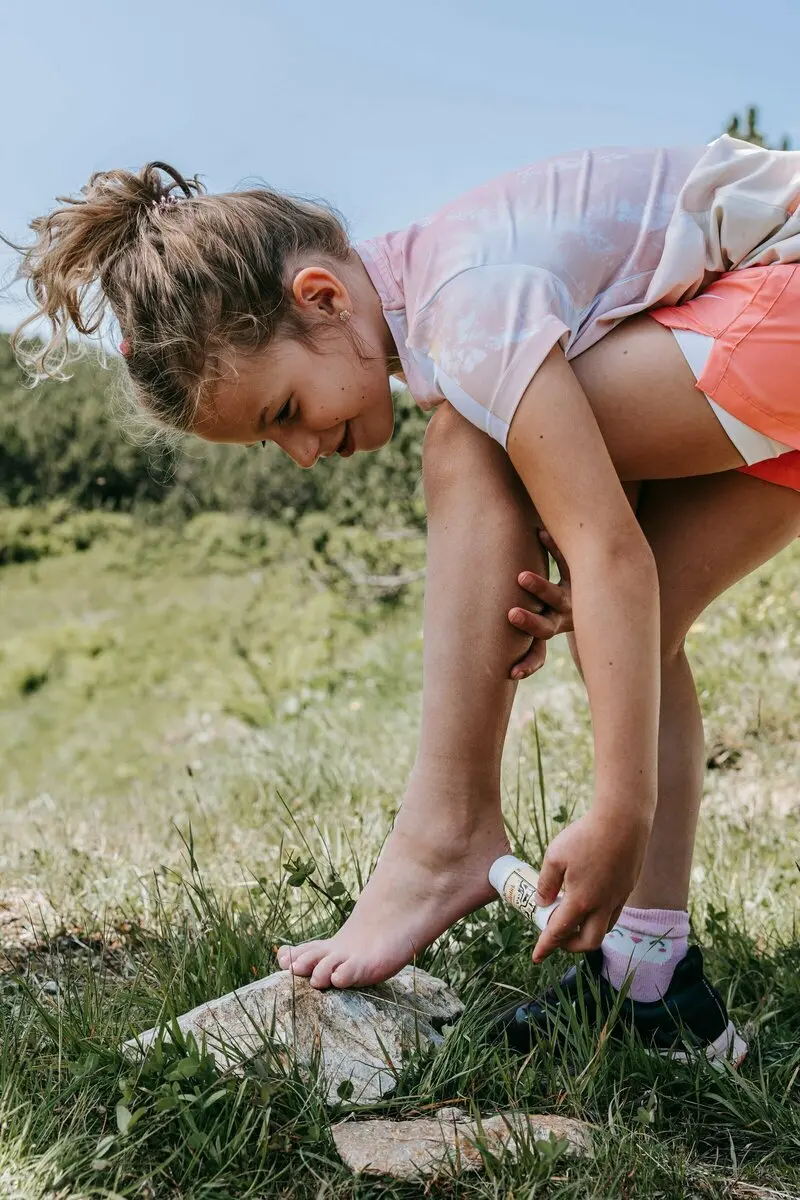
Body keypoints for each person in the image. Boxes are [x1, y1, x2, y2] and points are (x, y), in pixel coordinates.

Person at [9, 137, 800, 1065]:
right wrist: (591, 560)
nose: (304, 452)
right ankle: (652, 980)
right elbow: (623, 552)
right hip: (763, 341)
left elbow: (608, 550)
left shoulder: (462, 305)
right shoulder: (447, 294)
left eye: (283, 414)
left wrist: (619, 808)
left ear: (322, 298)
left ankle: (449, 833)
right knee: (640, 616)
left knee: (471, 437)